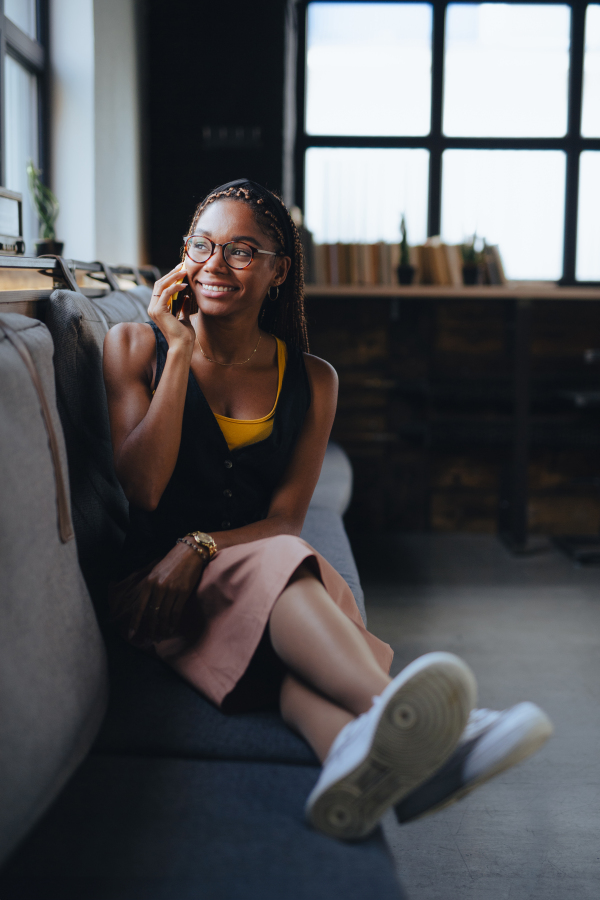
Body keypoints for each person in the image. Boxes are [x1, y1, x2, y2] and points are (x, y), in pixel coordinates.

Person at [103, 179, 552, 841]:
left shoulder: (313, 378)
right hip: (157, 598)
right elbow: (143, 489)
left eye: (242, 251)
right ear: (181, 258)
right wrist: (179, 353)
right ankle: (446, 729)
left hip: (251, 578)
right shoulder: (135, 348)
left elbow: (285, 519)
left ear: (279, 271)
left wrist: (197, 545)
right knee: (292, 570)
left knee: (290, 627)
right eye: (203, 246)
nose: (216, 265)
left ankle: (350, 752)